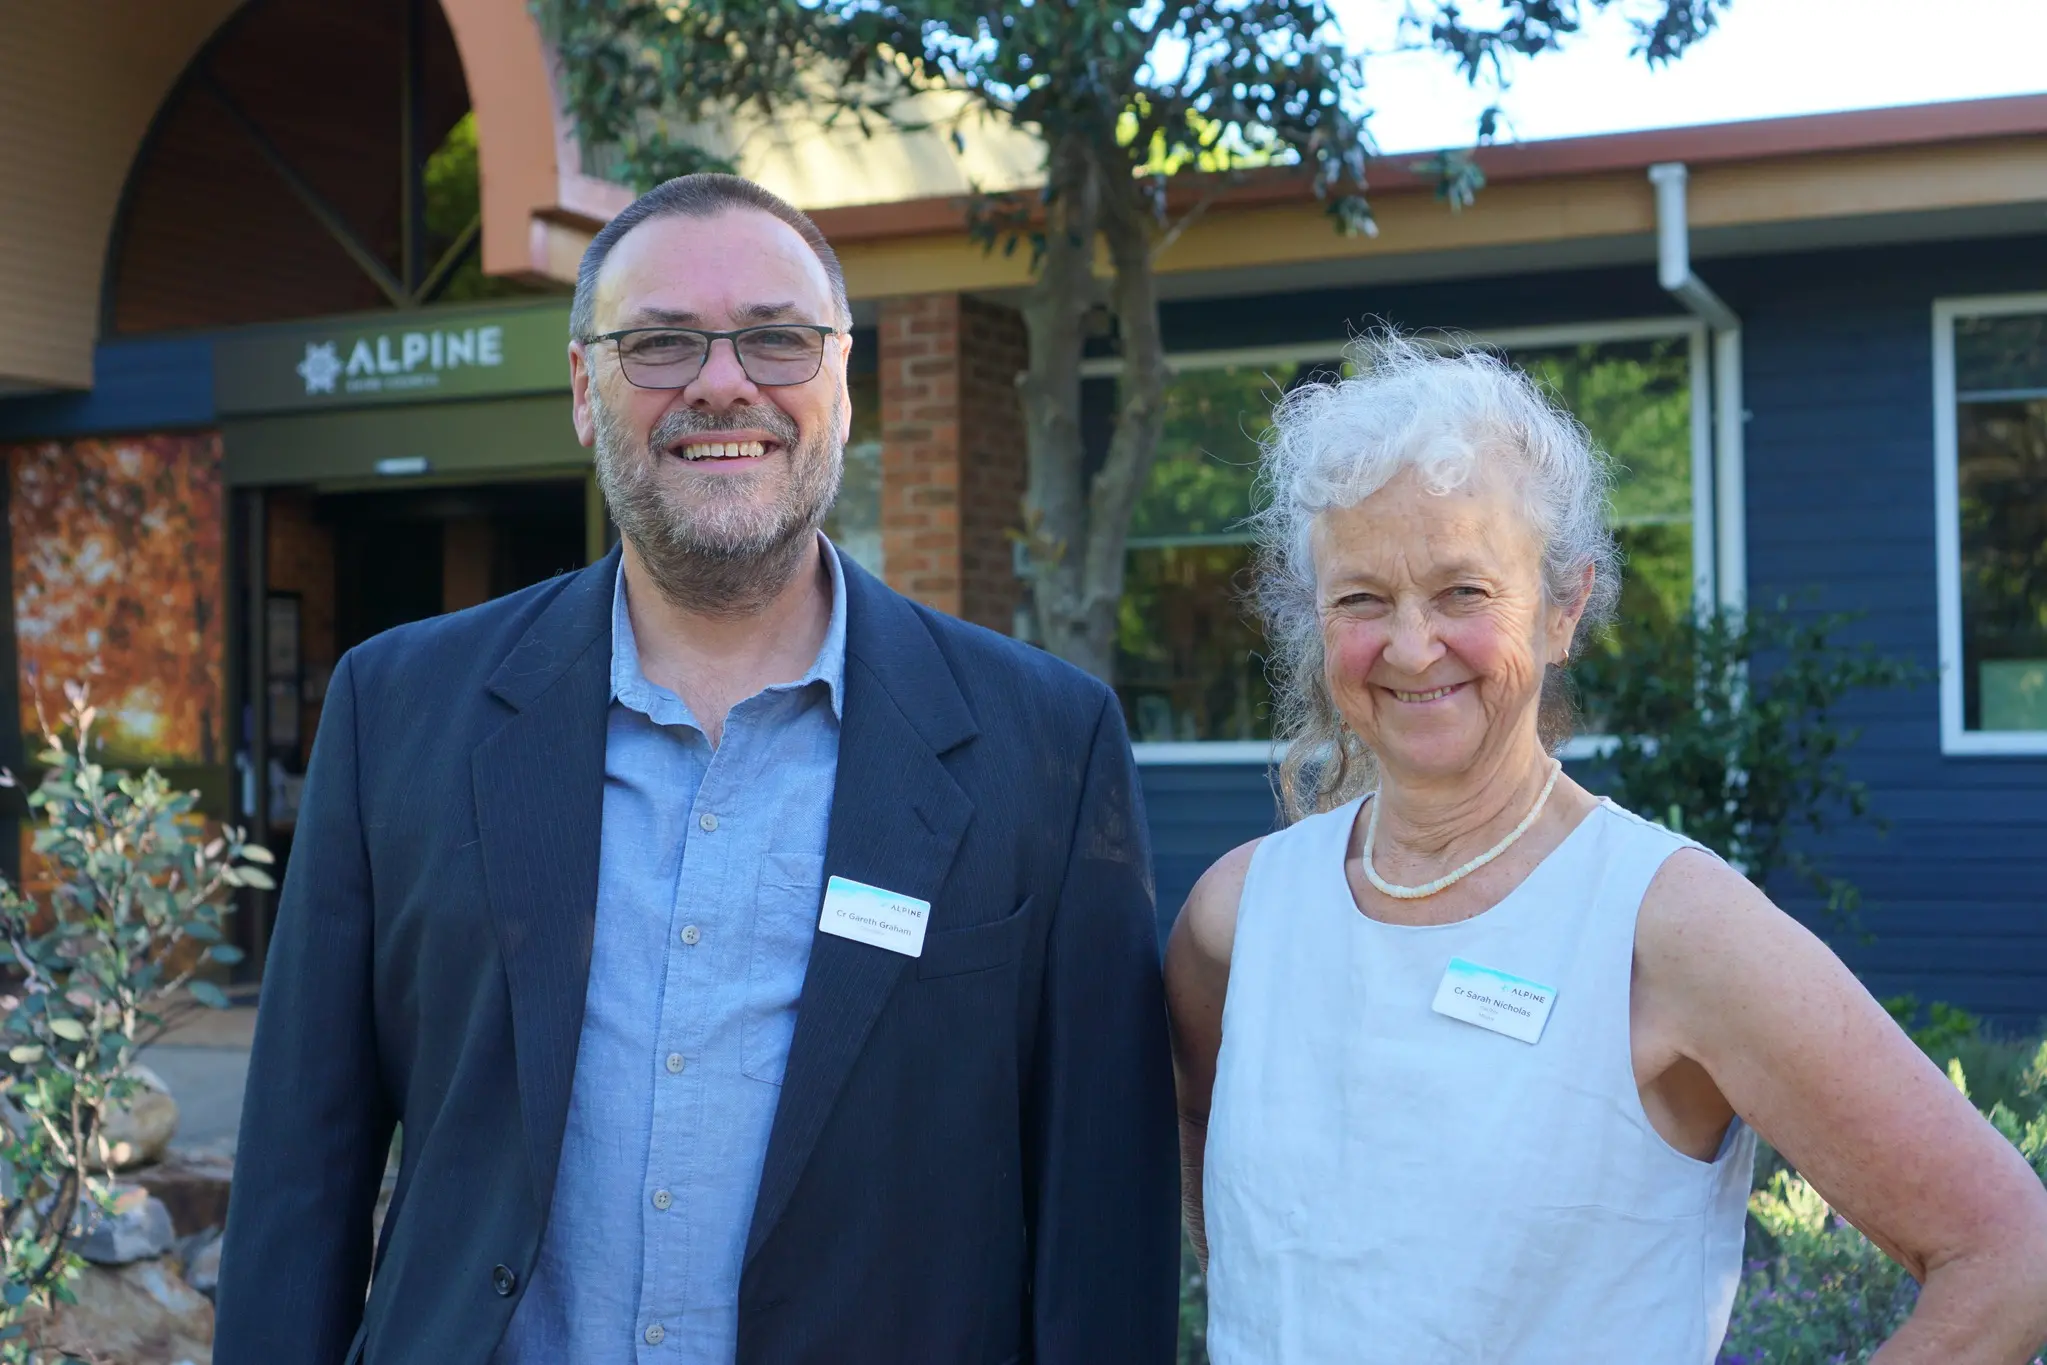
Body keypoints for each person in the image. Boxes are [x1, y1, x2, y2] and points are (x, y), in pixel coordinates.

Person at [214, 173, 1178, 1365]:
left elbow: (1101, 1223)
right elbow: (300, 1177)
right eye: (661, 342)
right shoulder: (397, 708)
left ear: (839, 378)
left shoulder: (1048, 745)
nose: (722, 382)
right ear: (584, 390)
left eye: (776, 339)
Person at [1166, 334, 2047, 1364]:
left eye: (1462, 592)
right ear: (1312, 621)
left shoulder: (1666, 927)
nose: (1410, 647)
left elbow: (2009, 1252)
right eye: (1361, 599)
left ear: (1563, 608)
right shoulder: (1238, 917)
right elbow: (1210, 1161)